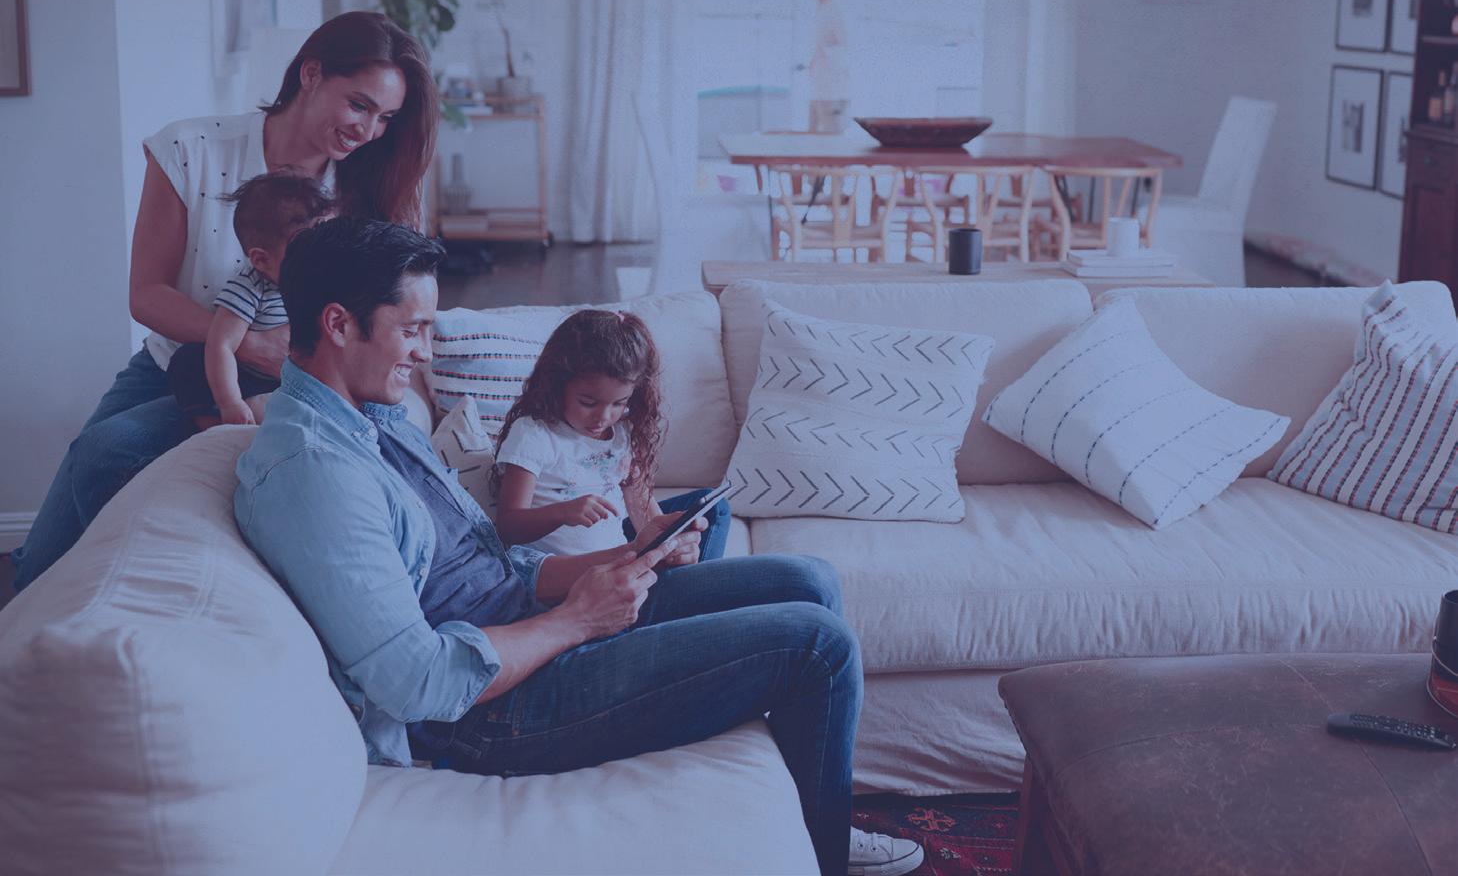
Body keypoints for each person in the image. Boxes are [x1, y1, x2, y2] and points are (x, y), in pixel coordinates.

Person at [235, 217, 924, 876]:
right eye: (411, 330)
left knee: (809, 580)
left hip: (531, 625)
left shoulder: (374, 418)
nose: (425, 352)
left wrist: (622, 559)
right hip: (491, 708)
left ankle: (809, 812)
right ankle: (826, 850)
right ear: (338, 324)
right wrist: (578, 621)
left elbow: (491, 566)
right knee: (817, 646)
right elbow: (418, 684)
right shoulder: (316, 474)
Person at [10, 11, 438, 591]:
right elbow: (147, 294)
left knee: (109, 451)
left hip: (292, 383)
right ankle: (57, 609)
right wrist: (248, 343)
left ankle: (116, 597)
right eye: (359, 105)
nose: (368, 131)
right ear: (311, 74)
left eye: (385, 117)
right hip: (175, 360)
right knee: (48, 546)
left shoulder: (366, 188)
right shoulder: (191, 149)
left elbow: (390, 315)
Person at [492, 308, 731, 561]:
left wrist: (669, 547)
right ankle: (694, 580)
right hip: (577, 572)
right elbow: (508, 526)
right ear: (557, 383)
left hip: (624, 561)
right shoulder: (534, 434)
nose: (603, 417)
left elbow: (644, 514)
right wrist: (561, 513)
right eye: (588, 403)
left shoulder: (622, 432)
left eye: (619, 403)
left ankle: (691, 577)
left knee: (713, 509)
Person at [166, 172, 335, 428]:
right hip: (250, 380)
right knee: (190, 360)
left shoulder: (324, 282)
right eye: (305, 250)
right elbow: (222, 345)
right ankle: (214, 425)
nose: (321, 259)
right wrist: (230, 401)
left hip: (298, 380)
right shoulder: (250, 288)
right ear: (261, 260)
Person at [808, 0, 850, 135]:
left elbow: (845, 45)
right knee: (814, 134)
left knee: (831, 136)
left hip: (832, 89)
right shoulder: (821, 9)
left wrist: (824, 55)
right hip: (819, 86)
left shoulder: (835, 10)